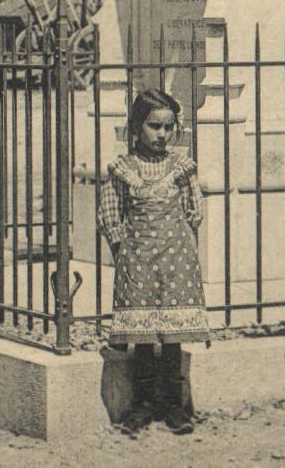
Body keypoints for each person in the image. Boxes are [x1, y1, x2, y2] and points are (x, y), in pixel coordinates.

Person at [97, 88, 208, 436]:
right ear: (137, 127)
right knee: (142, 335)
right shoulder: (124, 169)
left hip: (175, 258)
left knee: (172, 336)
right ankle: (143, 404)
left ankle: (174, 405)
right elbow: (110, 214)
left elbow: (195, 210)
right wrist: (125, 251)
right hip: (138, 260)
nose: (162, 134)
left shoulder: (181, 169)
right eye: (154, 126)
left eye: (168, 127)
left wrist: (178, 244)